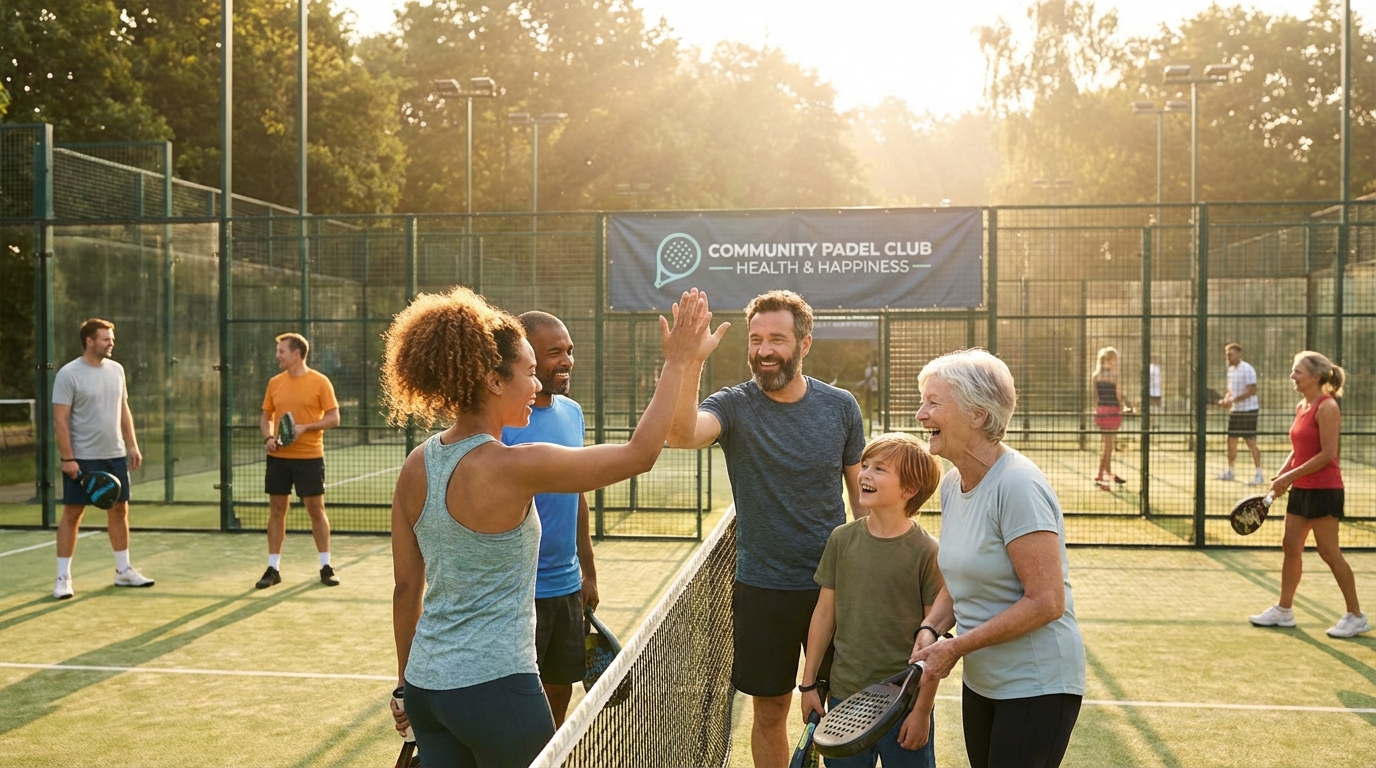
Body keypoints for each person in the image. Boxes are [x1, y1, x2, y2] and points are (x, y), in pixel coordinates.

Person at [386, 286, 724, 767]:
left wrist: (404, 683)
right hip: (497, 692)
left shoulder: (416, 466)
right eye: (528, 373)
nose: (537, 386)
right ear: (493, 380)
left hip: (425, 689)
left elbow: (405, 589)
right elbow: (638, 455)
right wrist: (677, 362)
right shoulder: (516, 466)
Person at [666, 289, 865, 768]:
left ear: (805, 344)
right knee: (771, 710)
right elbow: (682, 433)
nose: (764, 350)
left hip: (834, 588)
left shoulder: (841, 407)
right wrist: (691, 361)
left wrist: (879, 575)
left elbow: (863, 501)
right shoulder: (733, 406)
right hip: (762, 588)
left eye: (777, 338)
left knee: (843, 711)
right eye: (756, 339)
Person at [909, 349, 1085, 768]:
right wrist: (932, 628)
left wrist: (956, 649)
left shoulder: (1019, 485)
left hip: (1038, 685)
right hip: (984, 682)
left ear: (977, 415)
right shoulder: (953, 484)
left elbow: (1046, 601)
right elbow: (959, 578)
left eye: (934, 402)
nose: (920, 414)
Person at [799, 433, 946, 768]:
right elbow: (824, 615)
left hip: (902, 703)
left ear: (909, 490)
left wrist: (921, 711)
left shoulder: (928, 552)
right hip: (844, 699)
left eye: (880, 469)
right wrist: (808, 685)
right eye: (865, 466)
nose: (864, 474)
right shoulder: (842, 539)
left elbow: (932, 642)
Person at [500, 311, 599, 727]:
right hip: (518, 590)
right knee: (522, 696)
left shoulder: (572, 413)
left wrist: (588, 572)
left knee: (561, 687)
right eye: (555, 352)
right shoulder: (502, 424)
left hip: (567, 584)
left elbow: (576, 496)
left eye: (570, 351)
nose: (567, 361)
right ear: (527, 359)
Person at [1249, 351, 1368, 638]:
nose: (1292, 376)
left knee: (1329, 552)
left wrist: (1291, 476)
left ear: (1315, 376)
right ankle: (1284, 610)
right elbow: (1299, 449)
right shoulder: (1303, 405)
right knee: (1290, 546)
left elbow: (1328, 454)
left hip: (1325, 489)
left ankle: (1356, 615)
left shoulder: (1327, 407)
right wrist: (1282, 473)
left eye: (1297, 371)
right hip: (1302, 488)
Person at [51, 318, 154, 599]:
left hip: (115, 455)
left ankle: (123, 572)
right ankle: (63, 578)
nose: (111, 342)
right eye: (106, 338)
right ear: (90, 341)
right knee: (73, 513)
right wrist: (68, 458)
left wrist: (131, 445)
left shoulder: (117, 370)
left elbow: (123, 408)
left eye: (112, 338)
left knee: (120, 511)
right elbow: (60, 420)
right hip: (81, 458)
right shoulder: (68, 374)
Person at [258, 332, 341, 589]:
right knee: (277, 511)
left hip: (309, 457)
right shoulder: (275, 383)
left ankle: (326, 566)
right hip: (278, 458)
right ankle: (273, 569)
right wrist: (269, 437)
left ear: (297, 354)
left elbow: (334, 417)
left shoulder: (320, 382)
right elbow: (266, 416)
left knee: (316, 510)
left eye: (282, 351)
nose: (277, 355)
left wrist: (306, 427)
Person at [1218, 342, 1264, 485]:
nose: (1229, 357)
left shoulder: (1247, 369)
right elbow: (1230, 391)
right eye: (1227, 355)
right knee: (1231, 440)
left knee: (1250, 441)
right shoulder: (1231, 370)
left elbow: (1251, 390)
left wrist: (1233, 400)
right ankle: (1230, 471)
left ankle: (1259, 473)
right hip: (1236, 411)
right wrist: (1226, 400)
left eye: (1231, 354)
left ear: (1239, 354)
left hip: (1249, 410)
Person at [1091, 347, 1125, 491]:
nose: (1116, 362)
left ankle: (1107, 472)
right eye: (1114, 360)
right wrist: (1123, 407)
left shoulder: (1096, 376)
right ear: (1108, 360)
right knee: (1109, 446)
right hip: (1112, 411)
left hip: (1101, 410)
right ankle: (1101, 475)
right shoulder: (1114, 376)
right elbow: (1118, 395)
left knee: (1106, 444)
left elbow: (1096, 396)